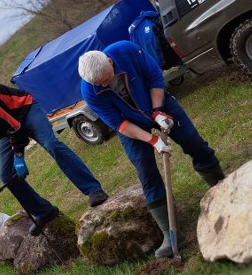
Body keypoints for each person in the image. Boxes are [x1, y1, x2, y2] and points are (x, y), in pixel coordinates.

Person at [77, 42, 225, 258]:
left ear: (110, 62)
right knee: (145, 171)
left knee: (193, 142)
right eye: (100, 84)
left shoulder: (126, 51)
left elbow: (155, 77)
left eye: (107, 78)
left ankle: (221, 188)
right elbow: (119, 124)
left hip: (159, 103)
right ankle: (171, 233)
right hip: (131, 125)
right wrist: (153, 140)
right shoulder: (89, 90)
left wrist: (157, 111)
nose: (105, 85)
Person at [0, 82, 110, 236]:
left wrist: (18, 155)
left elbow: (11, 122)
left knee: (52, 145)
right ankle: (44, 212)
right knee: (6, 176)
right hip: (5, 131)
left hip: (25, 110)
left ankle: (93, 190)